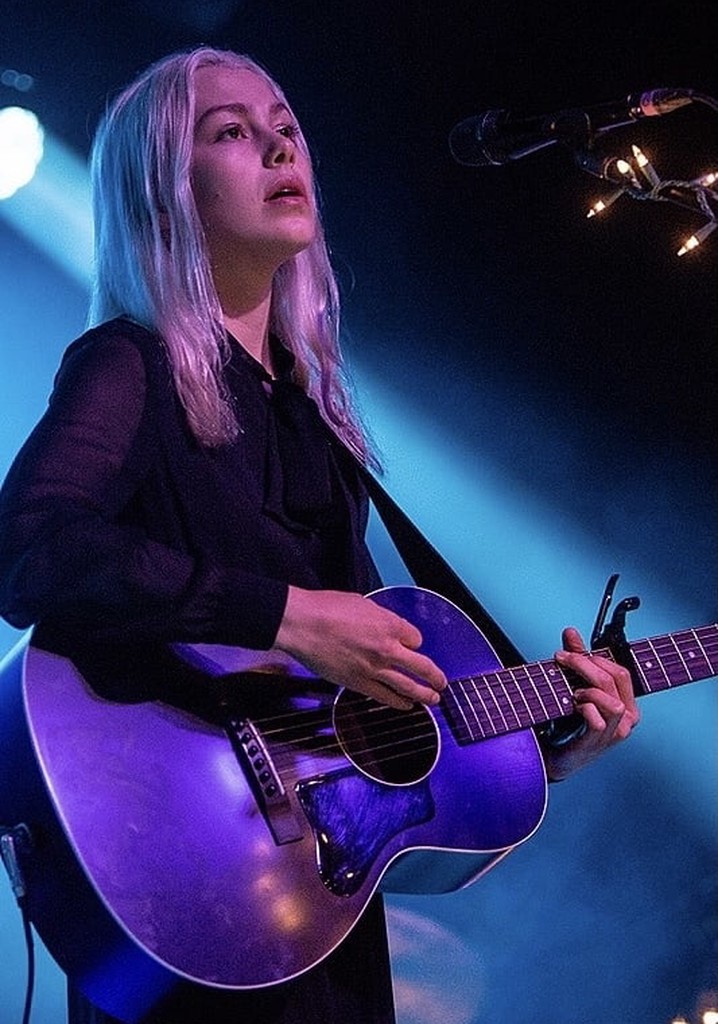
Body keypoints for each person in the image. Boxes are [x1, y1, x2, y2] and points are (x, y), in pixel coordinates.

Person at [0, 46, 639, 1024]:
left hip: (314, 930)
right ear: (163, 192)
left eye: (285, 125)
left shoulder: (313, 421)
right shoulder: (126, 364)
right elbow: (30, 549)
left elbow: (381, 715)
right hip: (183, 898)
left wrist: (547, 746)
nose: (276, 141)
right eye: (229, 131)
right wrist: (285, 615)